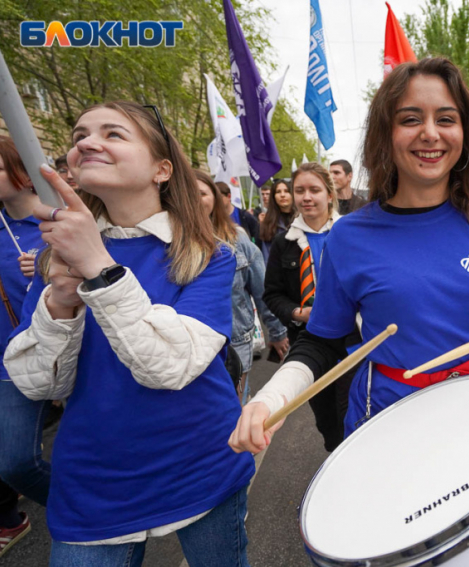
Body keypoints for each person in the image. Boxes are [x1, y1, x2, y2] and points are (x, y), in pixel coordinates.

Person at [229, 57, 469, 457]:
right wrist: (270, 397)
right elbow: (323, 342)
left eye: (446, 119)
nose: (430, 134)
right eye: (410, 119)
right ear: (385, 133)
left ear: (465, 132)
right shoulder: (350, 236)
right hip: (393, 432)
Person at [4, 101, 254, 566]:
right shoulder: (54, 254)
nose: (87, 142)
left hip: (201, 466)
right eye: (80, 135)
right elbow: (42, 384)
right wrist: (60, 300)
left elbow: (170, 367)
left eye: (113, 134)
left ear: (162, 169)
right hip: (96, 486)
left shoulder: (207, 256)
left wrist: (99, 268)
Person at [262, 162, 352, 451]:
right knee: (328, 422)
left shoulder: (352, 235)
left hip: (354, 341)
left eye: (314, 190)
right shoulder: (283, 243)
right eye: (299, 190)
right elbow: (272, 294)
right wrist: (297, 312)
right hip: (309, 340)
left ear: (330, 194)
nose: (306, 197)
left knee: (354, 413)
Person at [195, 170, 287, 403]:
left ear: (215, 199)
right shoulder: (166, 243)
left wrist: (276, 333)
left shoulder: (237, 239)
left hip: (234, 343)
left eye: (202, 193)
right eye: (188, 193)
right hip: (190, 345)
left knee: (234, 407)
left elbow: (261, 289)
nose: (194, 199)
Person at [0, 136, 49, 557]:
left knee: (16, 461)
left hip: (43, 356)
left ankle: (79, 502)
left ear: (20, 171)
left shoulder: (58, 223)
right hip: (3, 358)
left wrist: (51, 268)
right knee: (10, 461)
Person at [258, 178, 295, 263]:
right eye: (278, 192)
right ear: (273, 196)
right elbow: (267, 255)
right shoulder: (268, 222)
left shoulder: (302, 219)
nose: (282, 195)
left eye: (286, 191)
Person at [217, 182, 261, 248]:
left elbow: (256, 237)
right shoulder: (212, 218)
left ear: (229, 196)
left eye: (220, 197)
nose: (217, 201)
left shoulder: (245, 216)